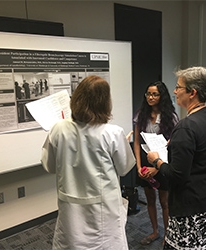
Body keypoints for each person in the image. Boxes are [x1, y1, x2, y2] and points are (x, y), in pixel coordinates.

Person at [41, 75, 136, 250]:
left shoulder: (58, 129)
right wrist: (124, 143)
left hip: (71, 208)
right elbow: (124, 168)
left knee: (71, 243)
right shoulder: (113, 133)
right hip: (103, 208)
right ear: (104, 102)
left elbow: (49, 166)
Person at [147, 66, 206, 250]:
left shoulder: (186, 126)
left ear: (192, 92)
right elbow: (205, 155)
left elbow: (177, 176)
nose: (174, 91)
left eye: (178, 87)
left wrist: (156, 161)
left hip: (192, 211)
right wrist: (177, 144)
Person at [133, 81, 179, 245]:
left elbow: (172, 144)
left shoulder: (171, 117)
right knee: (150, 199)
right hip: (145, 161)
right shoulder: (141, 115)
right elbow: (137, 142)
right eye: (148, 94)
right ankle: (154, 231)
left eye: (155, 94)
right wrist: (139, 166)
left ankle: (168, 235)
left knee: (164, 202)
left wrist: (157, 168)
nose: (150, 97)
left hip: (163, 161)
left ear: (162, 96)